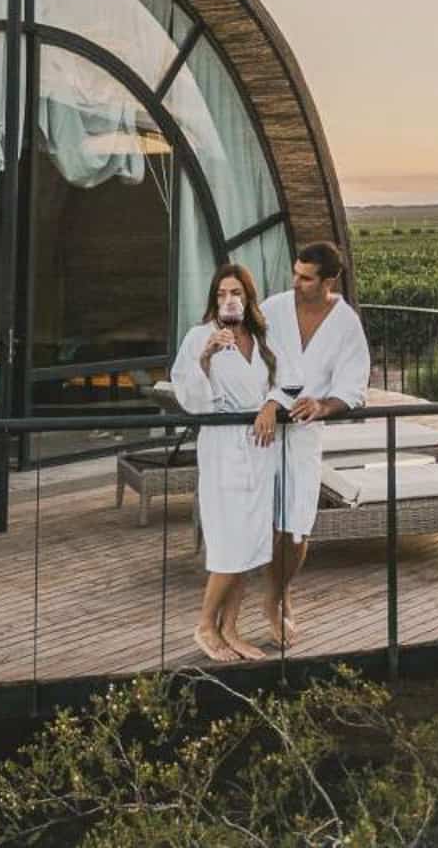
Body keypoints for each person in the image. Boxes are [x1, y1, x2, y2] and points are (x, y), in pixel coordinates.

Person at [250, 241, 371, 648]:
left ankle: (280, 592)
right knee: (266, 520)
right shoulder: (272, 309)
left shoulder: (345, 323)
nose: (296, 283)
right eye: (295, 274)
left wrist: (322, 404)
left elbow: (353, 385)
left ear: (330, 280)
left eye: (306, 278)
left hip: (303, 434)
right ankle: (273, 598)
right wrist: (267, 401)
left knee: (297, 526)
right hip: (261, 429)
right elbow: (248, 360)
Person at [169, 263, 279, 663]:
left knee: (250, 542)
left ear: (248, 298)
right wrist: (204, 359)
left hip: (260, 449)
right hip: (223, 447)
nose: (228, 300)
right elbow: (188, 396)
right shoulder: (201, 336)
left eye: (235, 293)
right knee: (230, 541)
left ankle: (231, 628)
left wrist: (270, 405)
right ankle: (204, 625)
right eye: (220, 294)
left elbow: (283, 381)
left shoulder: (262, 338)